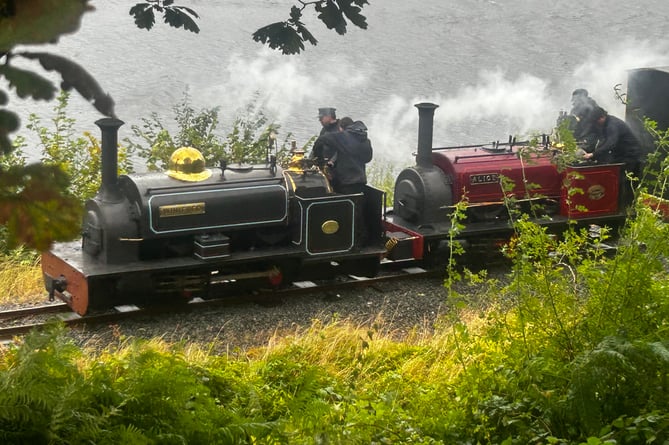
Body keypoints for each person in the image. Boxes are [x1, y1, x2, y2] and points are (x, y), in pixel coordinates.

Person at [583, 107, 643, 206]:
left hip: (631, 155)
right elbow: (604, 142)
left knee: (625, 182)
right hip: (621, 154)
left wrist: (593, 154)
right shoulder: (606, 123)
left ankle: (623, 207)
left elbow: (611, 143)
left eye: (596, 121)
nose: (596, 124)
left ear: (602, 117)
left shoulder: (613, 125)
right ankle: (615, 204)